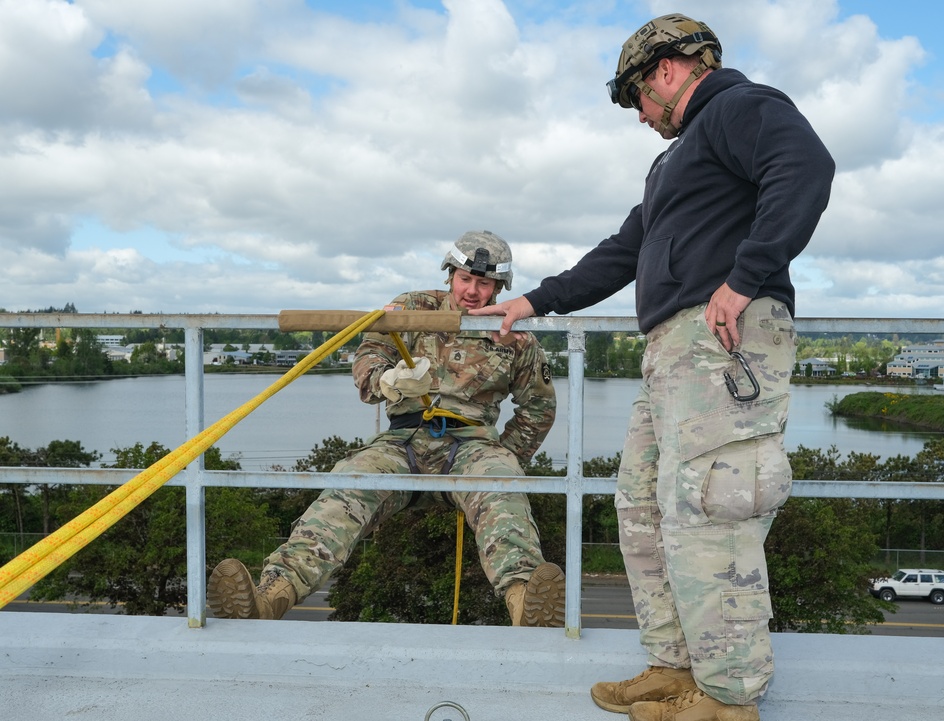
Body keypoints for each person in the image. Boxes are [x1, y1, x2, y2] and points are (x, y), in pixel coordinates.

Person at [471, 13, 835, 721]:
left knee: (710, 506)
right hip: (672, 351)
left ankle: (729, 697)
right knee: (641, 502)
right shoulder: (674, 160)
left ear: (666, 72)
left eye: (636, 98)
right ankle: (674, 665)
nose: (639, 115)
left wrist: (745, 276)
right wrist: (534, 302)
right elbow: (622, 251)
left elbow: (806, 167)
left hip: (723, 335)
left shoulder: (737, 105)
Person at [208, 230, 565, 628]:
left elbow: (539, 406)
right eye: (465, 279)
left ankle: (525, 605)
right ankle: (269, 597)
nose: (472, 291)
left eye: (484, 284)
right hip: (403, 442)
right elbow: (369, 354)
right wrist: (386, 380)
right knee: (347, 489)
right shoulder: (412, 309)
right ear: (450, 275)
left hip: (471, 446)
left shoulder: (514, 334)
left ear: (499, 287)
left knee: (503, 492)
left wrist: (503, 458)